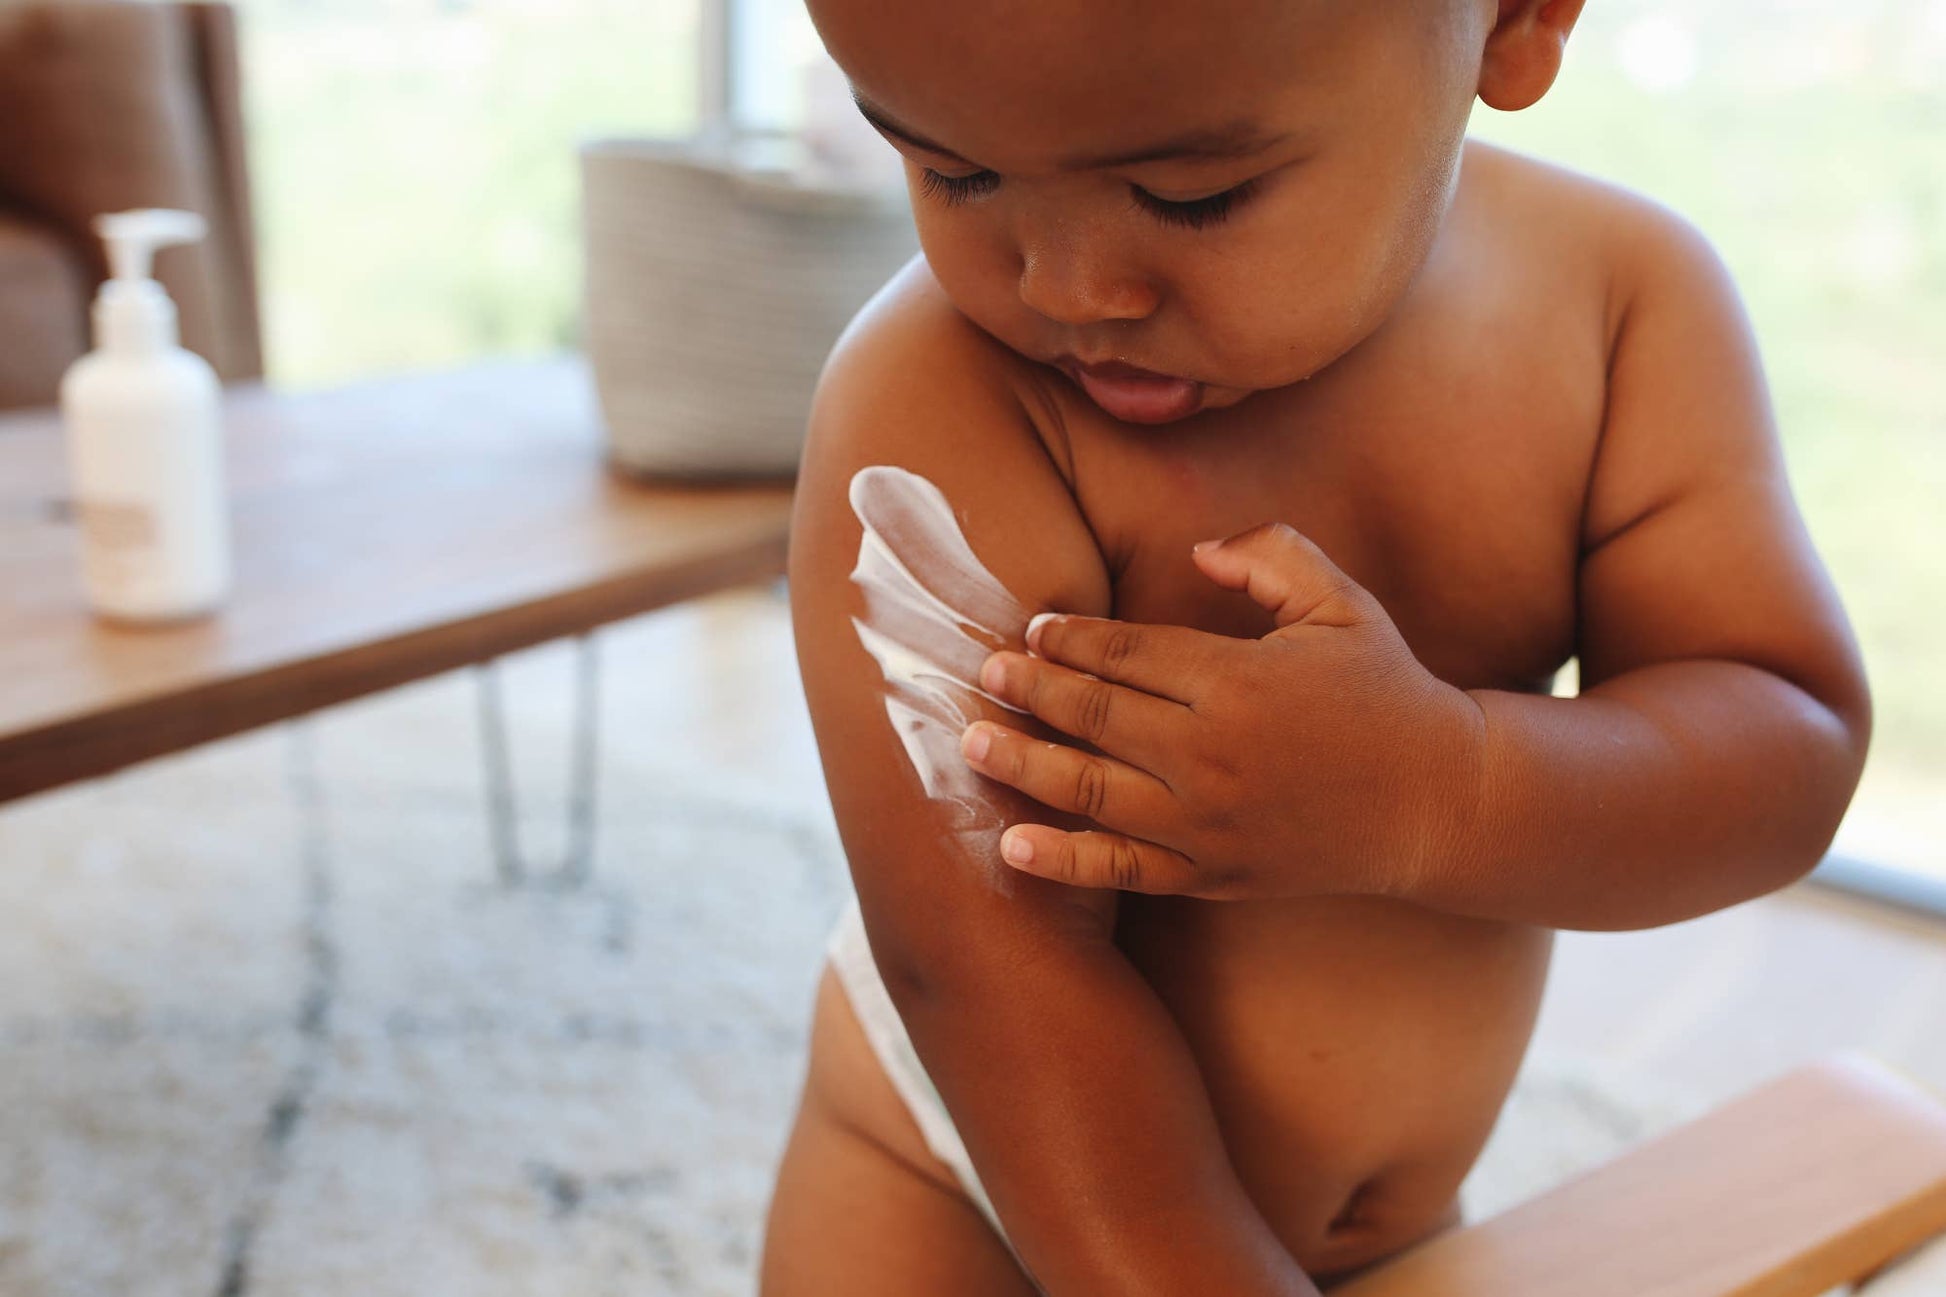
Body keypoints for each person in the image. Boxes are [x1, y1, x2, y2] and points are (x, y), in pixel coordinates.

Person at [759, 1, 1873, 1293]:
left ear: (1510, 25)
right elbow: (982, 972)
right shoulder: (931, 403)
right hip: (966, 1195)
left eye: (1192, 196)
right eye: (954, 170)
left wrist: (1436, 791)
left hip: (1389, 1235)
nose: (1067, 287)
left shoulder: (1617, 311)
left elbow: (1783, 744)